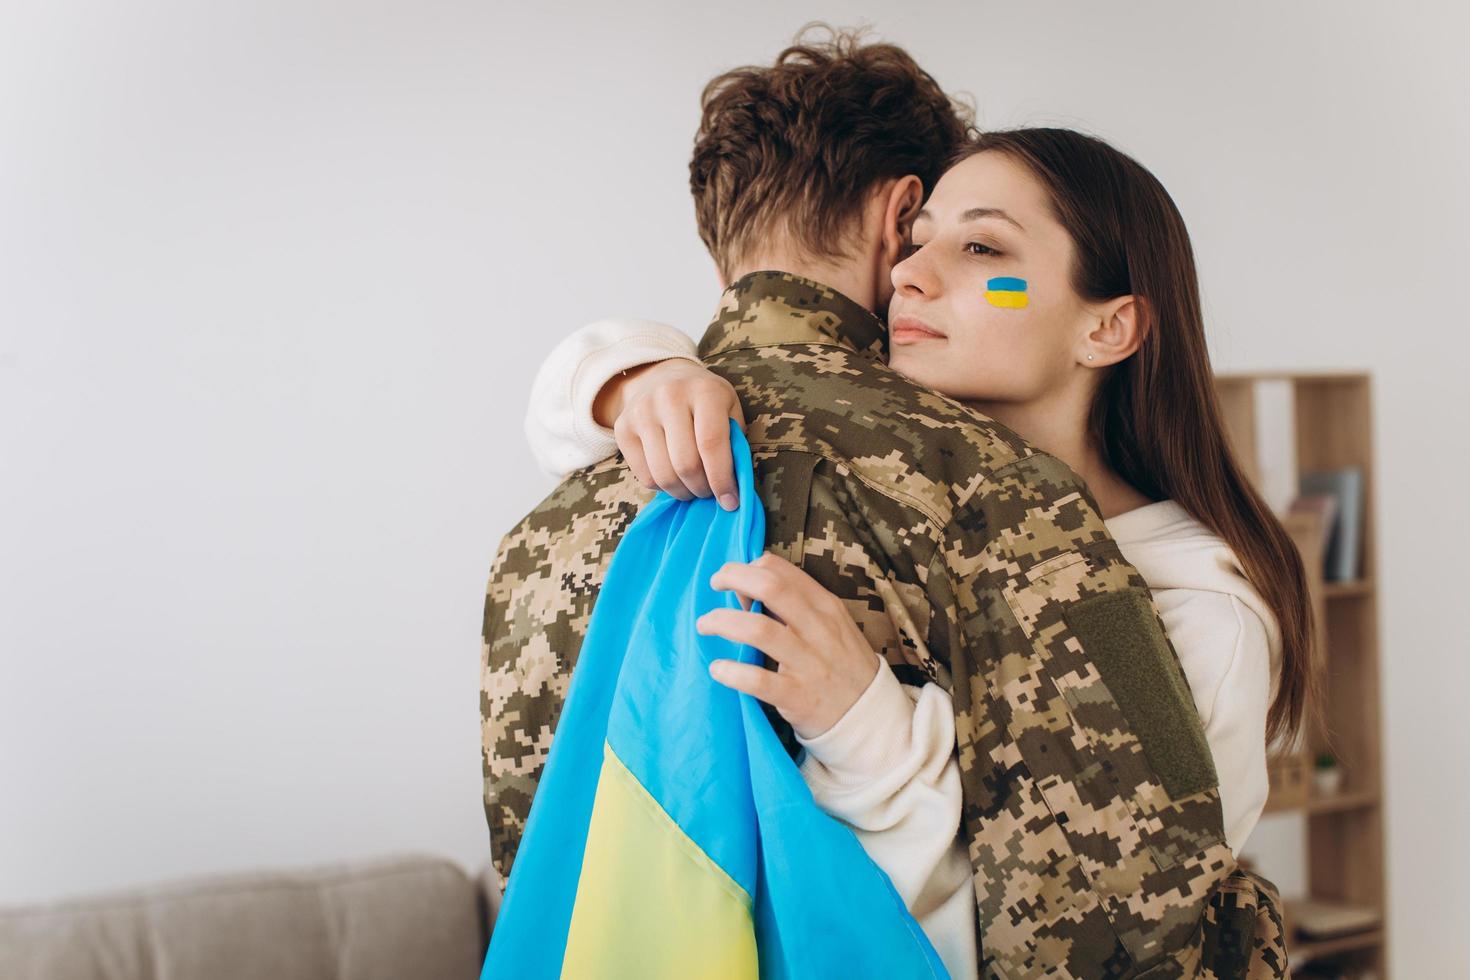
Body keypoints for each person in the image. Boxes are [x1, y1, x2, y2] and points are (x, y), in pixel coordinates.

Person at [484, 28, 1275, 979]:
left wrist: (866, 723)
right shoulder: (900, 496)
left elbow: (1104, 935)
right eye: (917, 239)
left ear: (1109, 324)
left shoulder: (1199, 612)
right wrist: (636, 374)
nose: (905, 272)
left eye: (984, 250)